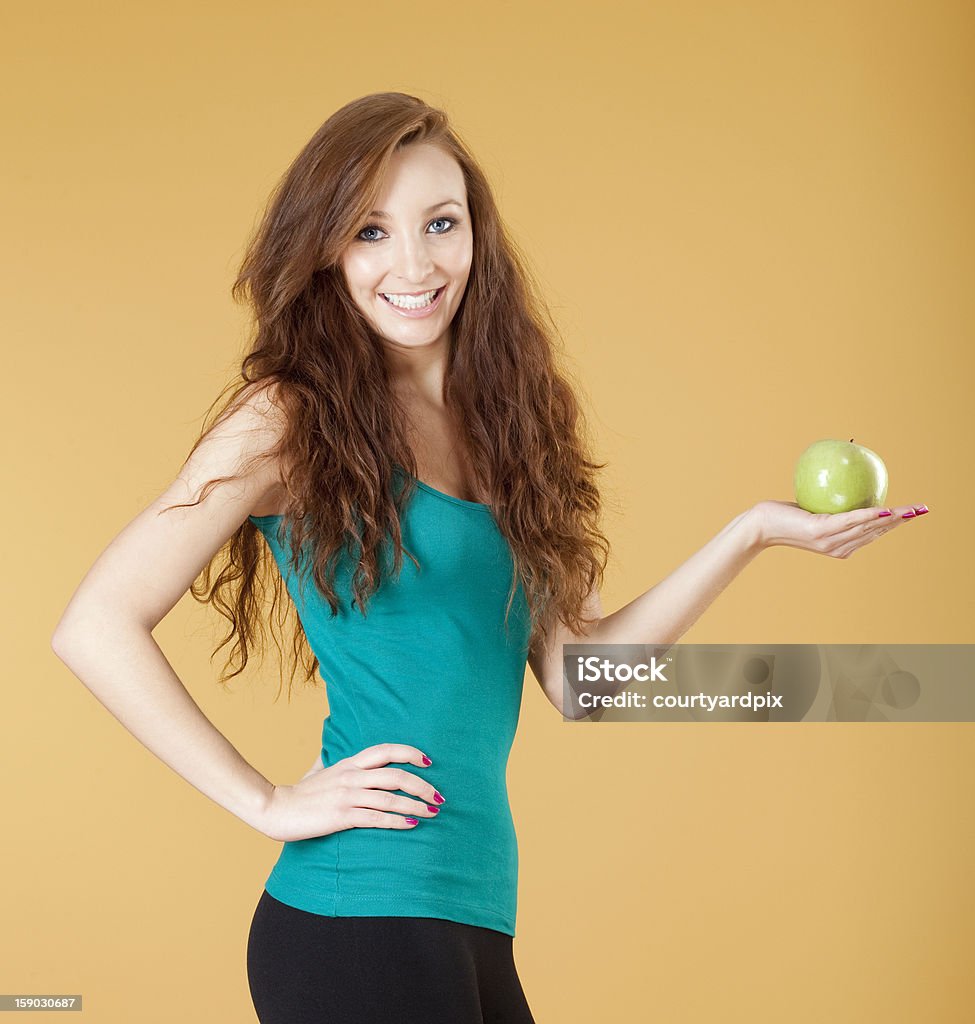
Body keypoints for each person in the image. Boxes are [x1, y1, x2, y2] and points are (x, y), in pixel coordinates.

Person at [50, 92, 930, 1024]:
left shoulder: (514, 430)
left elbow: (579, 682)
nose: (415, 264)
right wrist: (266, 802)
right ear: (325, 252)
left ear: (478, 235)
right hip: (360, 910)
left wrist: (751, 532)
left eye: (441, 223)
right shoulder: (291, 418)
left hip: (471, 913)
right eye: (369, 233)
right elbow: (95, 624)